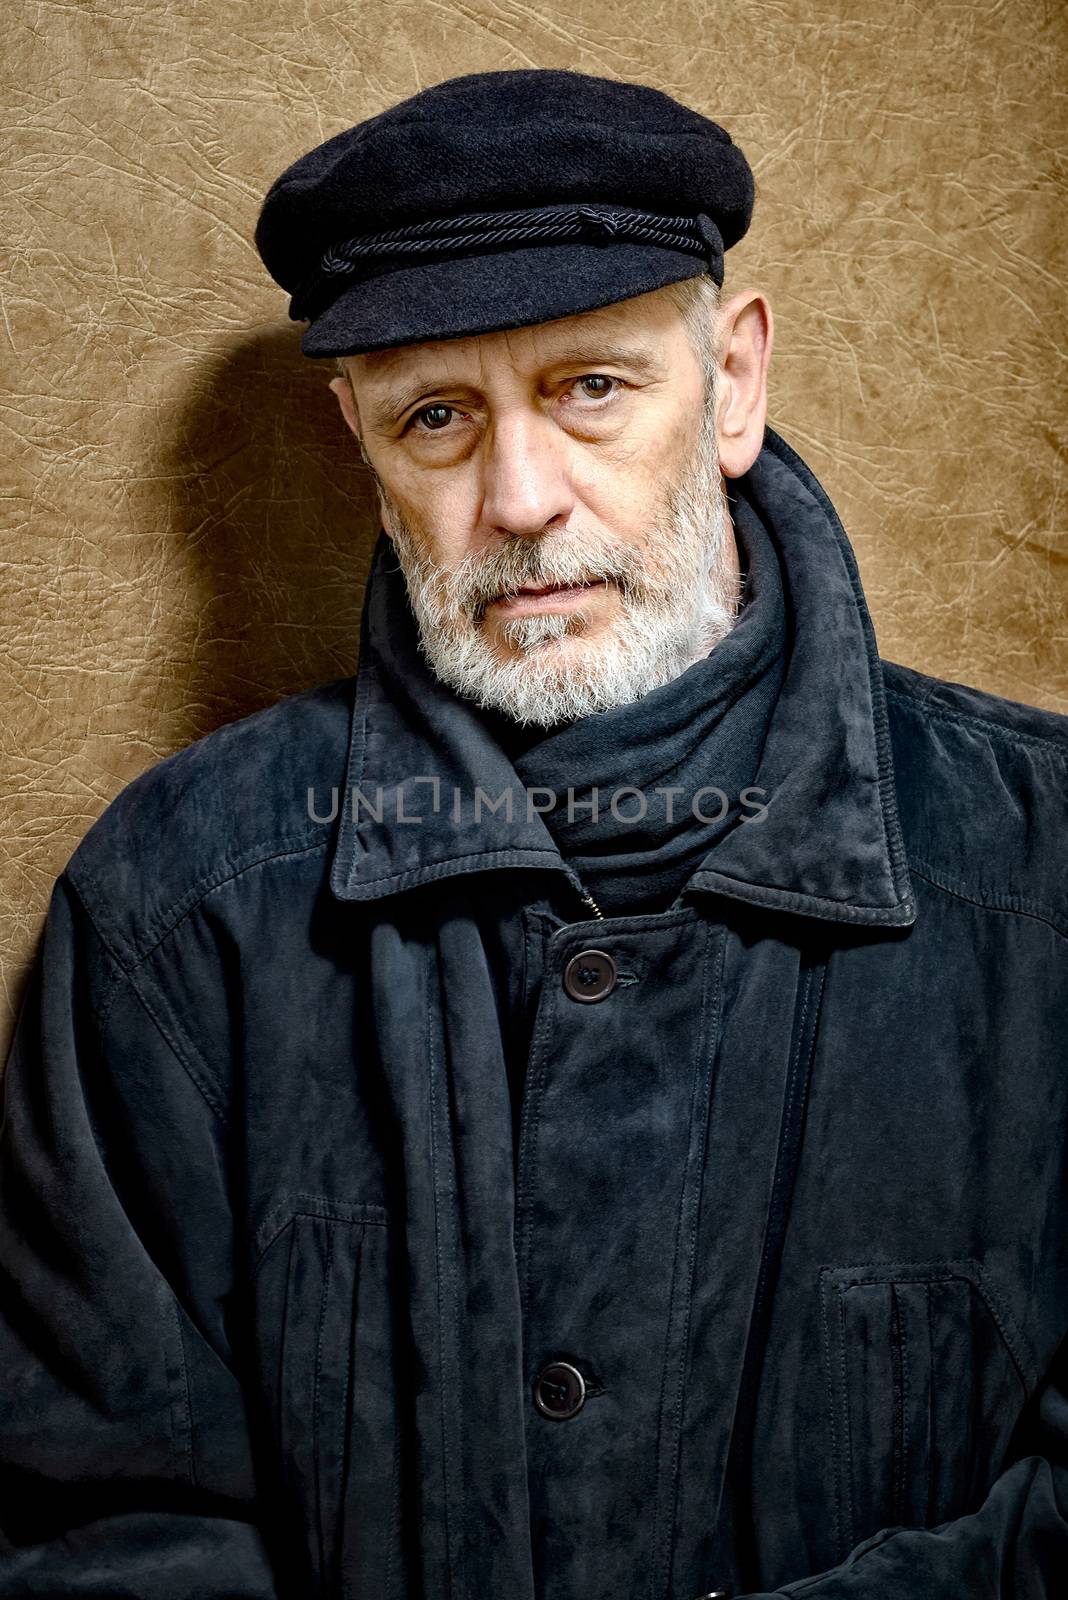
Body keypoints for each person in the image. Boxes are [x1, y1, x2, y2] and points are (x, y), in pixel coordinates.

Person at [0, 66, 1064, 1600]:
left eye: (592, 389)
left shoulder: (1045, 873)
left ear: (737, 381)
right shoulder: (175, 911)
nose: (520, 498)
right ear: (360, 445)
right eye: (440, 416)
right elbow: (99, 1525)